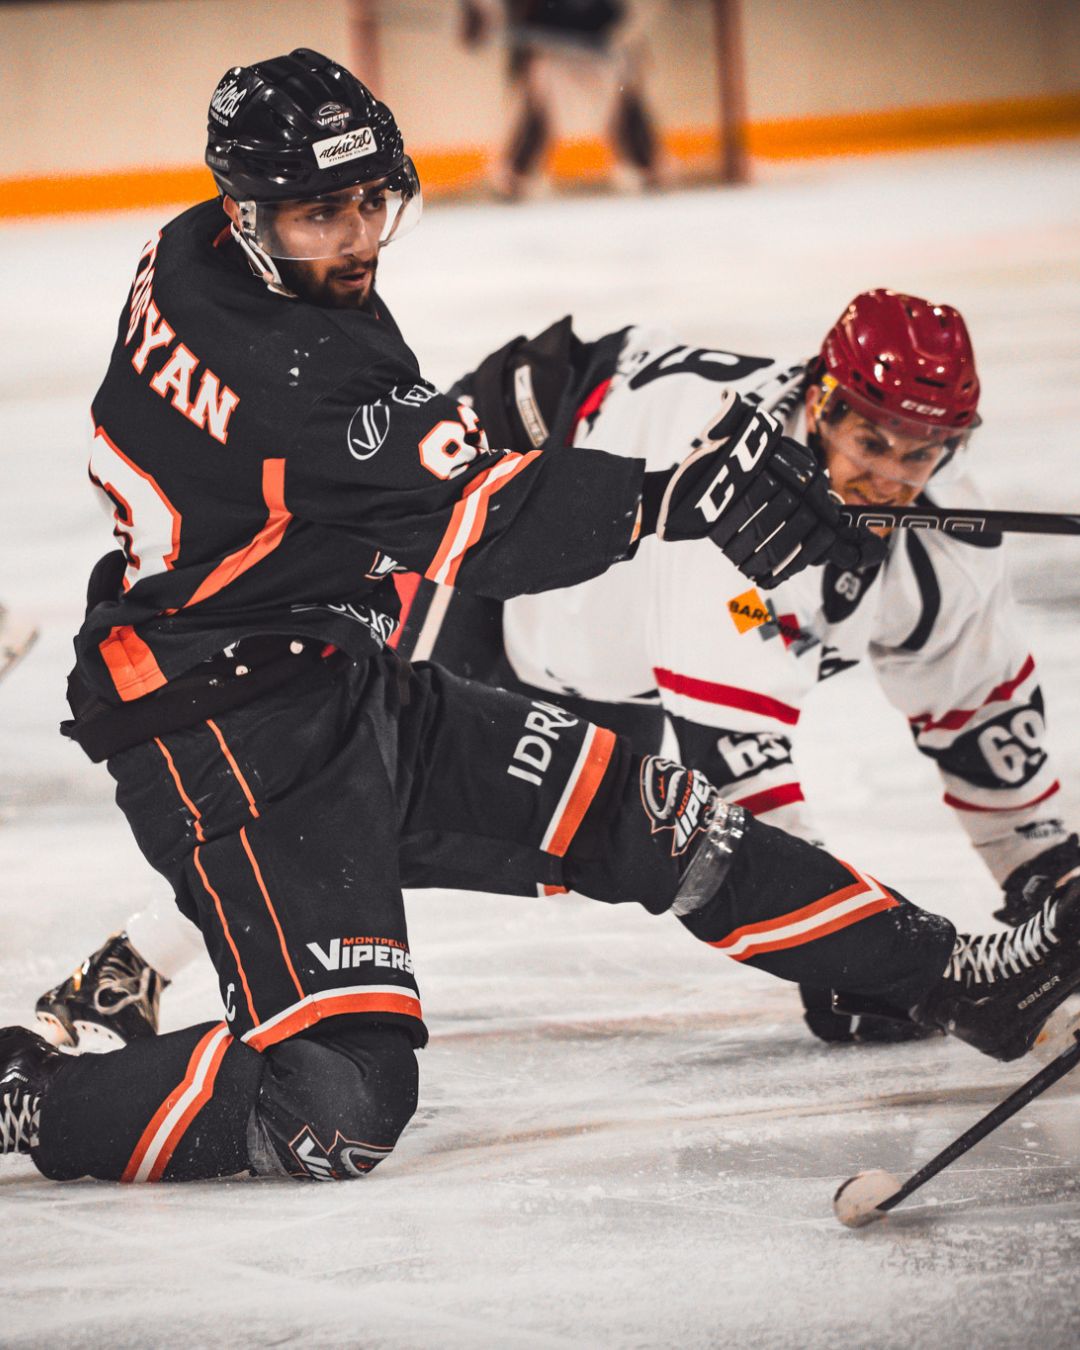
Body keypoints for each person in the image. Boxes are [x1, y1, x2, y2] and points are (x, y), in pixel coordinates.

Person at [5, 50, 1079, 1187]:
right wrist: (670, 498)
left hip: (331, 670)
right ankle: (33, 1097)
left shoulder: (194, 250)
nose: (359, 240)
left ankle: (958, 980)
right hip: (225, 729)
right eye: (323, 214)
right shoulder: (299, 382)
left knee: (662, 820)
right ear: (247, 209)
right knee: (338, 1106)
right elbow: (484, 528)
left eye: (372, 201)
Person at [48, 293, 1080, 1051]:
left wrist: (1055, 887)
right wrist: (869, 958)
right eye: (869, 439)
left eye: (920, 454)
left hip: (604, 623)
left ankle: (145, 953)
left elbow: (983, 725)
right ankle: (130, 968)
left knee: (534, 835)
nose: (888, 478)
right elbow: (738, 779)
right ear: (819, 399)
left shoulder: (951, 554)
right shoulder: (738, 501)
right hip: (505, 524)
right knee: (348, 789)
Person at [460, 0, 662, 197]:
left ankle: (648, 167)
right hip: (547, 44)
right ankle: (514, 177)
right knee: (538, 100)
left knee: (625, 97)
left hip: (604, 40)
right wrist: (479, 10)